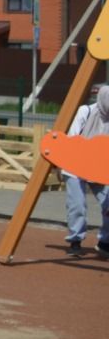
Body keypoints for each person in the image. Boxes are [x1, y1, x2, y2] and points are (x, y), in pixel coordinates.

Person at [62, 84, 109, 257]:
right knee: (78, 204)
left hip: (99, 166)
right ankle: (75, 239)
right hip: (76, 164)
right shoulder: (86, 111)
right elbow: (73, 137)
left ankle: (105, 242)